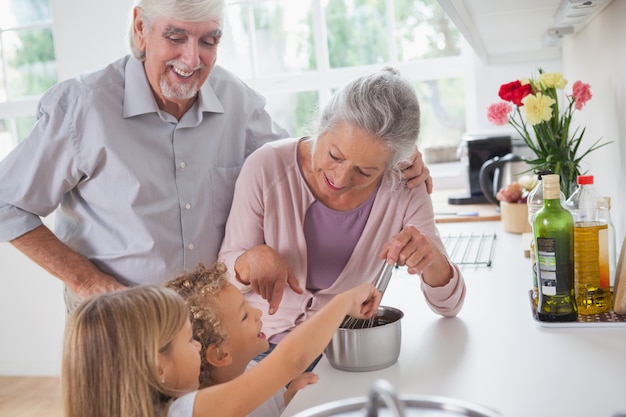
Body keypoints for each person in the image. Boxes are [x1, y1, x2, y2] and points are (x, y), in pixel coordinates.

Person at [0, 0, 431, 310]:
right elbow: (8, 203)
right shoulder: (83, 108)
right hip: (119, 322)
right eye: (175, 36)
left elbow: (304, 166)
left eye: (209, 40)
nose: (193, 59)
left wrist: (396, 160)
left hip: (214, 325)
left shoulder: (236, 102)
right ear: (139, 28)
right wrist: (88, 282)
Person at [218, 67, 466, 351]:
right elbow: (224, 275)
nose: (340, 179)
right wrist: (247, 262)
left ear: (393, 166)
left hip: (343, 353)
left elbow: (450, 306)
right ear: (322, 127)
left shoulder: (404, 185)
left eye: (365, 172)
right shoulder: (266, 167)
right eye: (334, 155)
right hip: (259, 350)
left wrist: (432, 260)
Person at [62, 281, 381, 417]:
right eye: (188, 340)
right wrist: (342, 304)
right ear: (158, 366)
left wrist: (284, 400)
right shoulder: (182, 412)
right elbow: (290, 359)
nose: (198, 346)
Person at [165, 262, 317, 416]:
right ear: (220, 354)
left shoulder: (252, 368)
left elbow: (275, 411)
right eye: (244, 316)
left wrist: (288, 400)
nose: (257, 312)